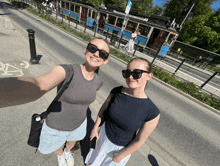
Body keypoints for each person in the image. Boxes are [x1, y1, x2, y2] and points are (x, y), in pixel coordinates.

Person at [0, 38, 110, 166]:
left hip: (79, 124)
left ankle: (68, 152)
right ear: (86, 49)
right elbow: (39, 84)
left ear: (105, 61)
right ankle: (61, 155)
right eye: (93, 48)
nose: (96, 54)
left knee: (71, 144)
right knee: (57, 147)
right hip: (57, 125)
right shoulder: (68, 71)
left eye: (102, 53)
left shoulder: (98, 81)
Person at [85, 57, 160, 166]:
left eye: (136, 73)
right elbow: (103, 111)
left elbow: (139, 140)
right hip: (103, 136)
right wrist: (95, 128)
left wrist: (121, 155)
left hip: (119, 149)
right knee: (93, 162)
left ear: (149, 76)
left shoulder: (152, 112)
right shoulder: (117, 91)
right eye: (127, 73)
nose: (130, 77)